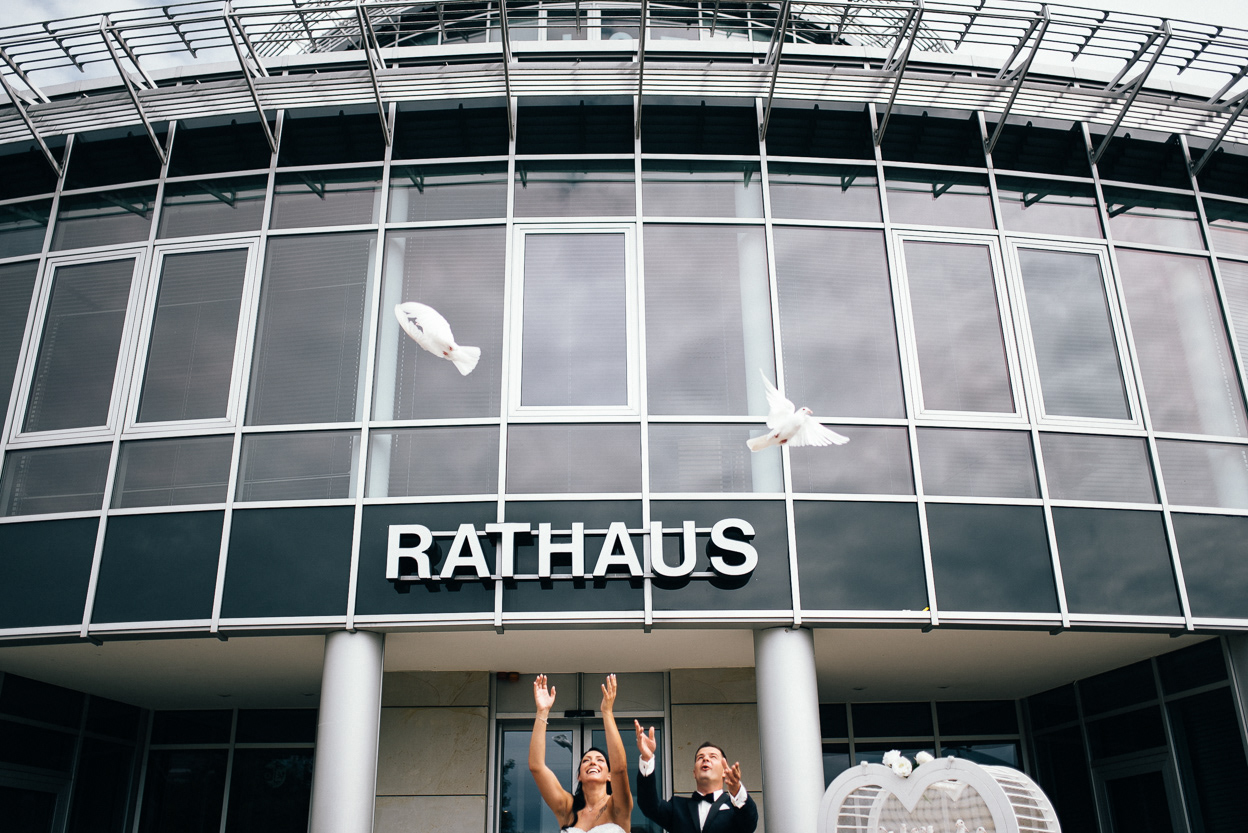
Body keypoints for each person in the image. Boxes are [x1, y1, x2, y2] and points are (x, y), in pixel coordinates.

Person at [529, 673, 634, 833]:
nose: (593, 762)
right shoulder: (568, 808)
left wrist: (607, 712)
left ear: (609, 776)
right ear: (579, 775)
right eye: (586, 760)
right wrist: (542, 712)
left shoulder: (618, 807)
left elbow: (620, 768)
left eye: (600, 760)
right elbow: (536, 767)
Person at [634, 721, 758, 833]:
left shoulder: (736, 808)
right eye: (700, 757)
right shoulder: (677, 807)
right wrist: (647, 758)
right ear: (694, 772)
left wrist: (737, 790)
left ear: (724, 771)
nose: (705, 759)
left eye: (713, 756)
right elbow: (649, 805)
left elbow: (750, 823)